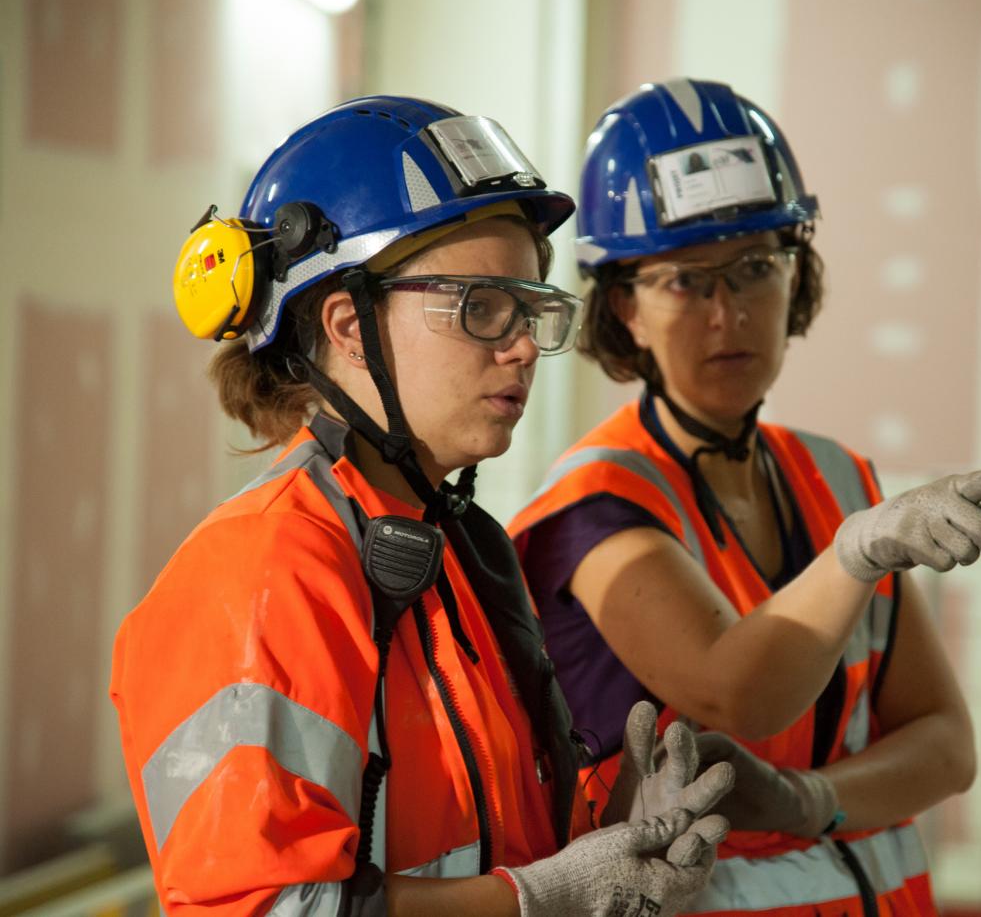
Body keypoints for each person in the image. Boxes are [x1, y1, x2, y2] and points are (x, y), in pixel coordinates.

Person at [111, 95, 735, 917]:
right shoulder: (264, 571)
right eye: (480, 307)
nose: (520, 346)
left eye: (530, 309)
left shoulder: (455, 546)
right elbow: (268, 908)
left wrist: (611, 838)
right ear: (345, 325)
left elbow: (482, 843)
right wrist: (543, 899)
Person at [509, 78, 981, 916]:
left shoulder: (836, 475)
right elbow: (737, 696)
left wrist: (806, 800)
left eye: (755, 268)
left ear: (797, 275)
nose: (729, 314)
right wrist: (855, 555)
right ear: (624, 309)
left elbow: (947, 747)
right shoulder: (594, 506)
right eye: (686, 281)